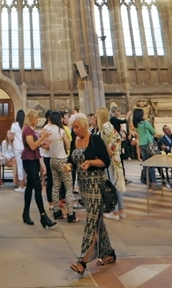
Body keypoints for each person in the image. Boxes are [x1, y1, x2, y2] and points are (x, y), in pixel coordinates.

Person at [68, 115, 114, 275]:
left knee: (91, 220)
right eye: (73, 128)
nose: (74, 130)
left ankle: (82, 260)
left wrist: (91, 162)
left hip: (96, 185)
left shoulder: (95, 140)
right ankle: (108, 253)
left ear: (84, 125)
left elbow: (105, 161)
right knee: (98, 221)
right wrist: (68, 166)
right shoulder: (75, 140)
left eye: (76, 127)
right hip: (83, 185)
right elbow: (71, 159)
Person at [19, 109, 56, 228]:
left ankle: (25, 213)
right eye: (35, 118)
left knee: (30, 187)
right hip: (29, 161)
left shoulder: (31, 129)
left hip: (33, 159)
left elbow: (36, 145)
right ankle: (43, 215)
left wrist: (43, 143)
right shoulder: (27, 129)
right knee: (37, 187)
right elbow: (32, 145)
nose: (37, 120)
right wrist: (43, 137)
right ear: (30, 119)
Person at [95, 107, 126, 221]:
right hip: (114, 157)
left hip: (110, 159)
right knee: (116, 183)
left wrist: (108, 152)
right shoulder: (108, 125)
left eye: (97, 114)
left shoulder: (105, 126)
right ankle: (121, 209)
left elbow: (114, 141)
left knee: (111, 184)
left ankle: (114, 211)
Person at [44, 111, 75, 222]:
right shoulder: (60, 131)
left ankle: (56, 211)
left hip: (52, 160)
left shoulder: (47, 130)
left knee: (55, 186)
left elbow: (45, 144)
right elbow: (68, 145)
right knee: (68, 187)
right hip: (62, 160)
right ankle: (71, 214)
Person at [132, 108, 157, 186]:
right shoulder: (145, 123)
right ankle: (154, 182)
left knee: (145, 164)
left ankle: (147, 181)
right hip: (148, 143)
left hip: (141, 144)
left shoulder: (135, 124)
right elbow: (153, 131)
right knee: (152, 163)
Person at [9, 109, 27, 191]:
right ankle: (26, 183)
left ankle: (21, 186)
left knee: (19, 166)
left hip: (17, 147)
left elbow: (12, 137)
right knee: (24, 166)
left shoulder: (14, 125)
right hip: (25, 147)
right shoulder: (26, 125)